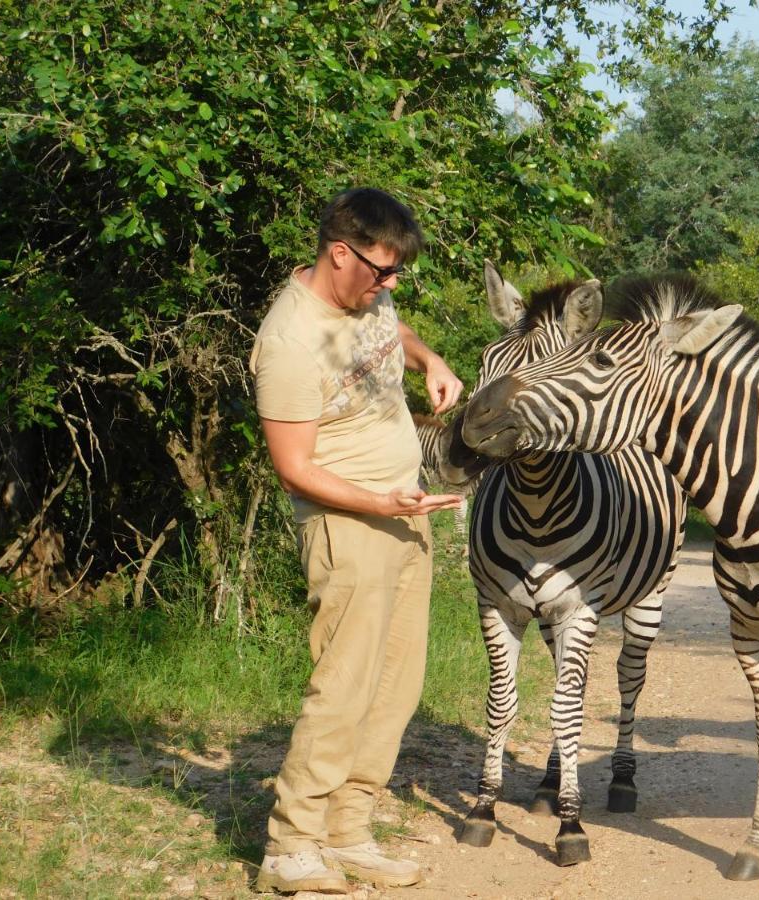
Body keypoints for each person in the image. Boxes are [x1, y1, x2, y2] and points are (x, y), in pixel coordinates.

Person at [249, 187, 463, 894]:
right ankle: (291, 845)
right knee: (341, 686)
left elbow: (390, 334)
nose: (391, 284)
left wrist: (428, 360)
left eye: (398, 273)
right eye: (382, 270)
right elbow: (295, 469)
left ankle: (349, 829)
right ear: (340, 253)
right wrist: (378, 500)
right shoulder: (288, 341)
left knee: (396, 686)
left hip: (405, 514)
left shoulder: (367, 298)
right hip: (348, 525)